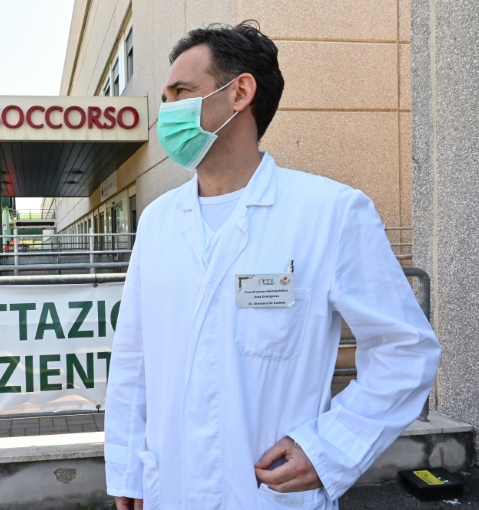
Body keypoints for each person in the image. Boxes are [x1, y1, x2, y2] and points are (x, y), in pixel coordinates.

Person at [104, 22, 440, 510]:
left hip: (268, 493)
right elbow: (133, 358)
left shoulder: (329, 213)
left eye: (181, 92)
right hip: (169, 487)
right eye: (165, 98)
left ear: (239, 93)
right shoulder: (157, 222)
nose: (167, 111)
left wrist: (328, 449)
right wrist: (127, 470)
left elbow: (405, 349)